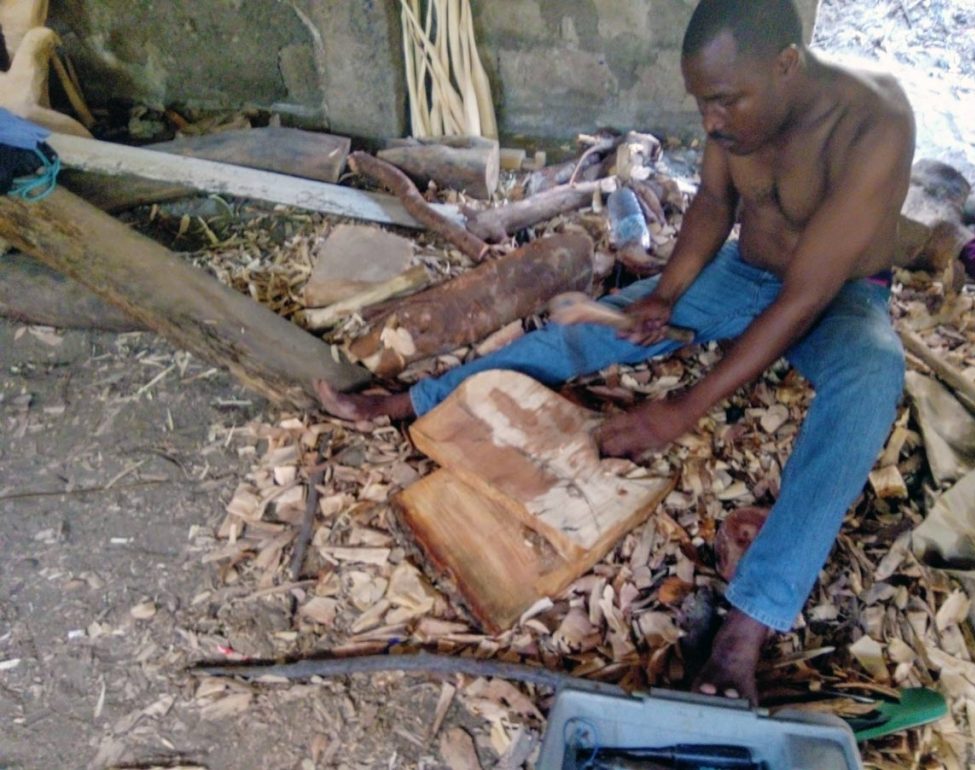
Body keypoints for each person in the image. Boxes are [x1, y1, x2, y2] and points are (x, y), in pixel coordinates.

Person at [316, 0, 914, 704]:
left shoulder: (874, 122)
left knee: (873, 380)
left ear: (787, 65)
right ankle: (416, 401)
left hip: (837, 296)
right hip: (746, 273)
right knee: (596, 326)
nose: (711, 122)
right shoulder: (737, 106)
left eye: (723, 102)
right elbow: (714, 208)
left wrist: (682, 408)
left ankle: (747, 626)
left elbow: (805, 298)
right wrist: (667, 295)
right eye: (702, 103)